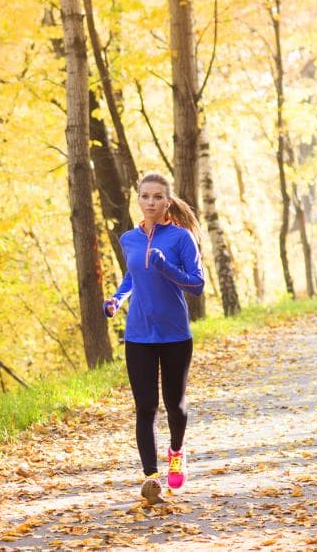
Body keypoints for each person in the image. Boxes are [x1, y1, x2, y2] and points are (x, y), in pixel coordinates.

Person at [104, 172, 205, 504]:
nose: (150, 202)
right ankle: (151, 479)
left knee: (174, 406)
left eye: (157, 197)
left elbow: (197, 284)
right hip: (138, 335)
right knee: (145, 406)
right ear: (138, 200)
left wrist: (166, 268)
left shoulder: (181, 239)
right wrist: (117, 300)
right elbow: (132, 276)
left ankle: (176, 452)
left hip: (175, 334)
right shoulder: (128, 239)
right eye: (145, 197)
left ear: (167, 201)